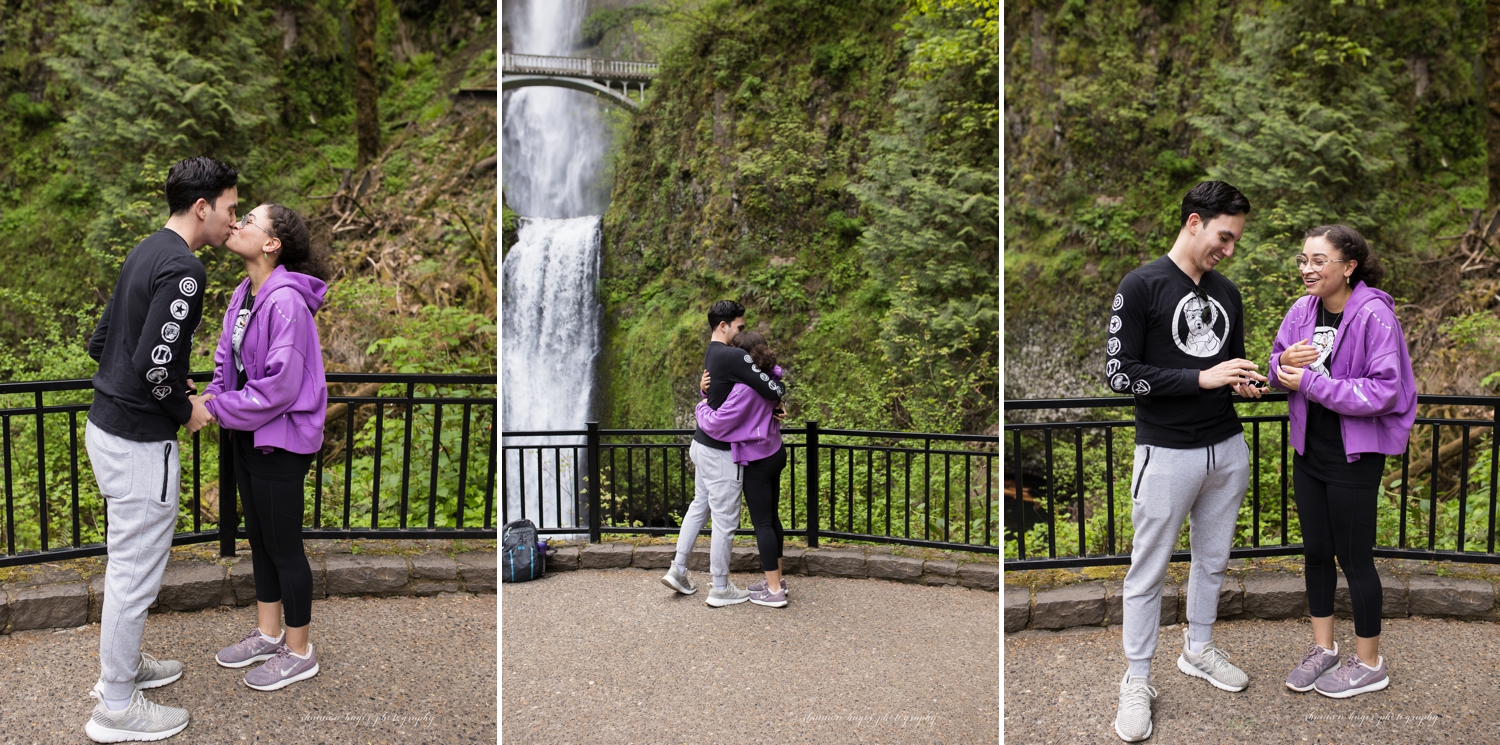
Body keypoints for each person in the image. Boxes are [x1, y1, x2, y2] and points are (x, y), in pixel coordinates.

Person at [1107, 181, 1267, 743]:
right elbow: (1120, 375)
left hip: (1226, 448)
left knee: (1213, 560)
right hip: (1165, 452)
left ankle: (1198, 649)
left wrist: (1242, 383)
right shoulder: (1141, 285)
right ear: (1195, 222)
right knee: (1147, 571)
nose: (1229, 249)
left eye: (1236, 240)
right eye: (1225, 236)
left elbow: (1228, 365)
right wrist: (1201, 378)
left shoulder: (1228, 292)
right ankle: (1137, 680)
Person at [83, 156, 233, 743]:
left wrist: (163, 380)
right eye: (228, 209)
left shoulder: (146, 250)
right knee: (134, 572)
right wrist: (185, 408)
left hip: (108, 427)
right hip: (139, 444)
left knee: (129, 563)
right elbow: (152, 365)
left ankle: (125, 668)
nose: (231, 220)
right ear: (202, 208)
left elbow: (104, 342)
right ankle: (115, 706)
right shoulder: (185, 270)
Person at [1269, 225, 1414, 699]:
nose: (1307, 269)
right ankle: (1324, 649)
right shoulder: (1301, 310)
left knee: (1355, 560)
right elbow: (1276, 366)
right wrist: (1282, 363)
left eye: (1319, 261)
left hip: (1355, 456)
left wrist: (1310, 384)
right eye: (1303, 260)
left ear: (1348, 266)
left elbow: (1384, 389)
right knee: (1315, 554)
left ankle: (1370, 663)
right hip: (1310, 451)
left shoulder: (1374, 316)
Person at [203, 202, 330, 691]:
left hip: (280, 441)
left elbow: (279, 387)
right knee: (260, 540)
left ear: (272, 244)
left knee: (284, 548)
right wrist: (215, 396)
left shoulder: (286, 303)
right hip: (250, 435)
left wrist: (214, 409)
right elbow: (225, 361)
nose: (237, 225)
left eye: (249, 221)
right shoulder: (246, 293)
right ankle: (269, 632)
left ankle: (300, 651)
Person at [660, 301, 785, 607]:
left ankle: (678, 569)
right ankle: (719, 587)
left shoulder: (712, 352)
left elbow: (721, 392)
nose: (740, 331)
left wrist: (703, 395)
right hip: (718, 450)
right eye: (739, 326)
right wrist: (778, 400)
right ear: (723, 325)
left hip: (699, 444)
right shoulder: (736, 355)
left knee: (699, 505)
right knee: (725, 521)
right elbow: (771, 387)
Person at [693, 331, 789, 608]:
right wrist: (706, 389)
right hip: (774, 450)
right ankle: (777, 580)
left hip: (756, 458)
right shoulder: (772, 377)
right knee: (772, 520)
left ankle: (773, 591)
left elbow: (719, 420)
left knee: (762, 524)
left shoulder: (745, 388)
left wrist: (701, 405)